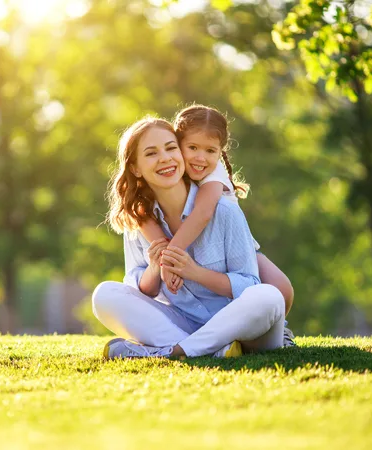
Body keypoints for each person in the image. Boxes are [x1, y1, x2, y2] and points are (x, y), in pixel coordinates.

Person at [92, 117, 286, 359]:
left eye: (171, 148)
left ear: (182, 154)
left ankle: (174, 351)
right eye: (151, 153)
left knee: (269, 297)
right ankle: (211, 350)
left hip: (243, 330)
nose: (165, 158)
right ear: (135, 168)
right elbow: (138, 290)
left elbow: (249, 284)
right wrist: (154, 269)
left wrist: (195, 272)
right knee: (104, 295)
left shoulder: (224, 211)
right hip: (181, 323)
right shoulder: (138, 220)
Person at [138, 105, 295, 345]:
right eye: (192, 148)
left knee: (280, 290)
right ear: (178, 143)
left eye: (211, 150)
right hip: (195, 247)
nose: (200, 158)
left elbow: (202, 214)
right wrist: (160, 258)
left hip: (237, 245)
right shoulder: (170, 166)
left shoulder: (214, 175)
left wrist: (171, 257)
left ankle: (280, 329)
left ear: (220, 153)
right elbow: (139, 212)